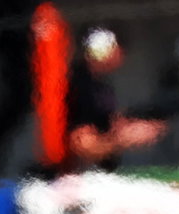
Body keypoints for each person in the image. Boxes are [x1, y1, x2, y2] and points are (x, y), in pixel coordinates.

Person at [64, 26, 166, 171]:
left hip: (100, 173)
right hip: (81, 178)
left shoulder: (100, 85)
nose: (121, 55)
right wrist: (124, 140)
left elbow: (107, 126)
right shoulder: (81, 86)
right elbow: (82, 145)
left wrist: (134, 127)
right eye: (117, 48)